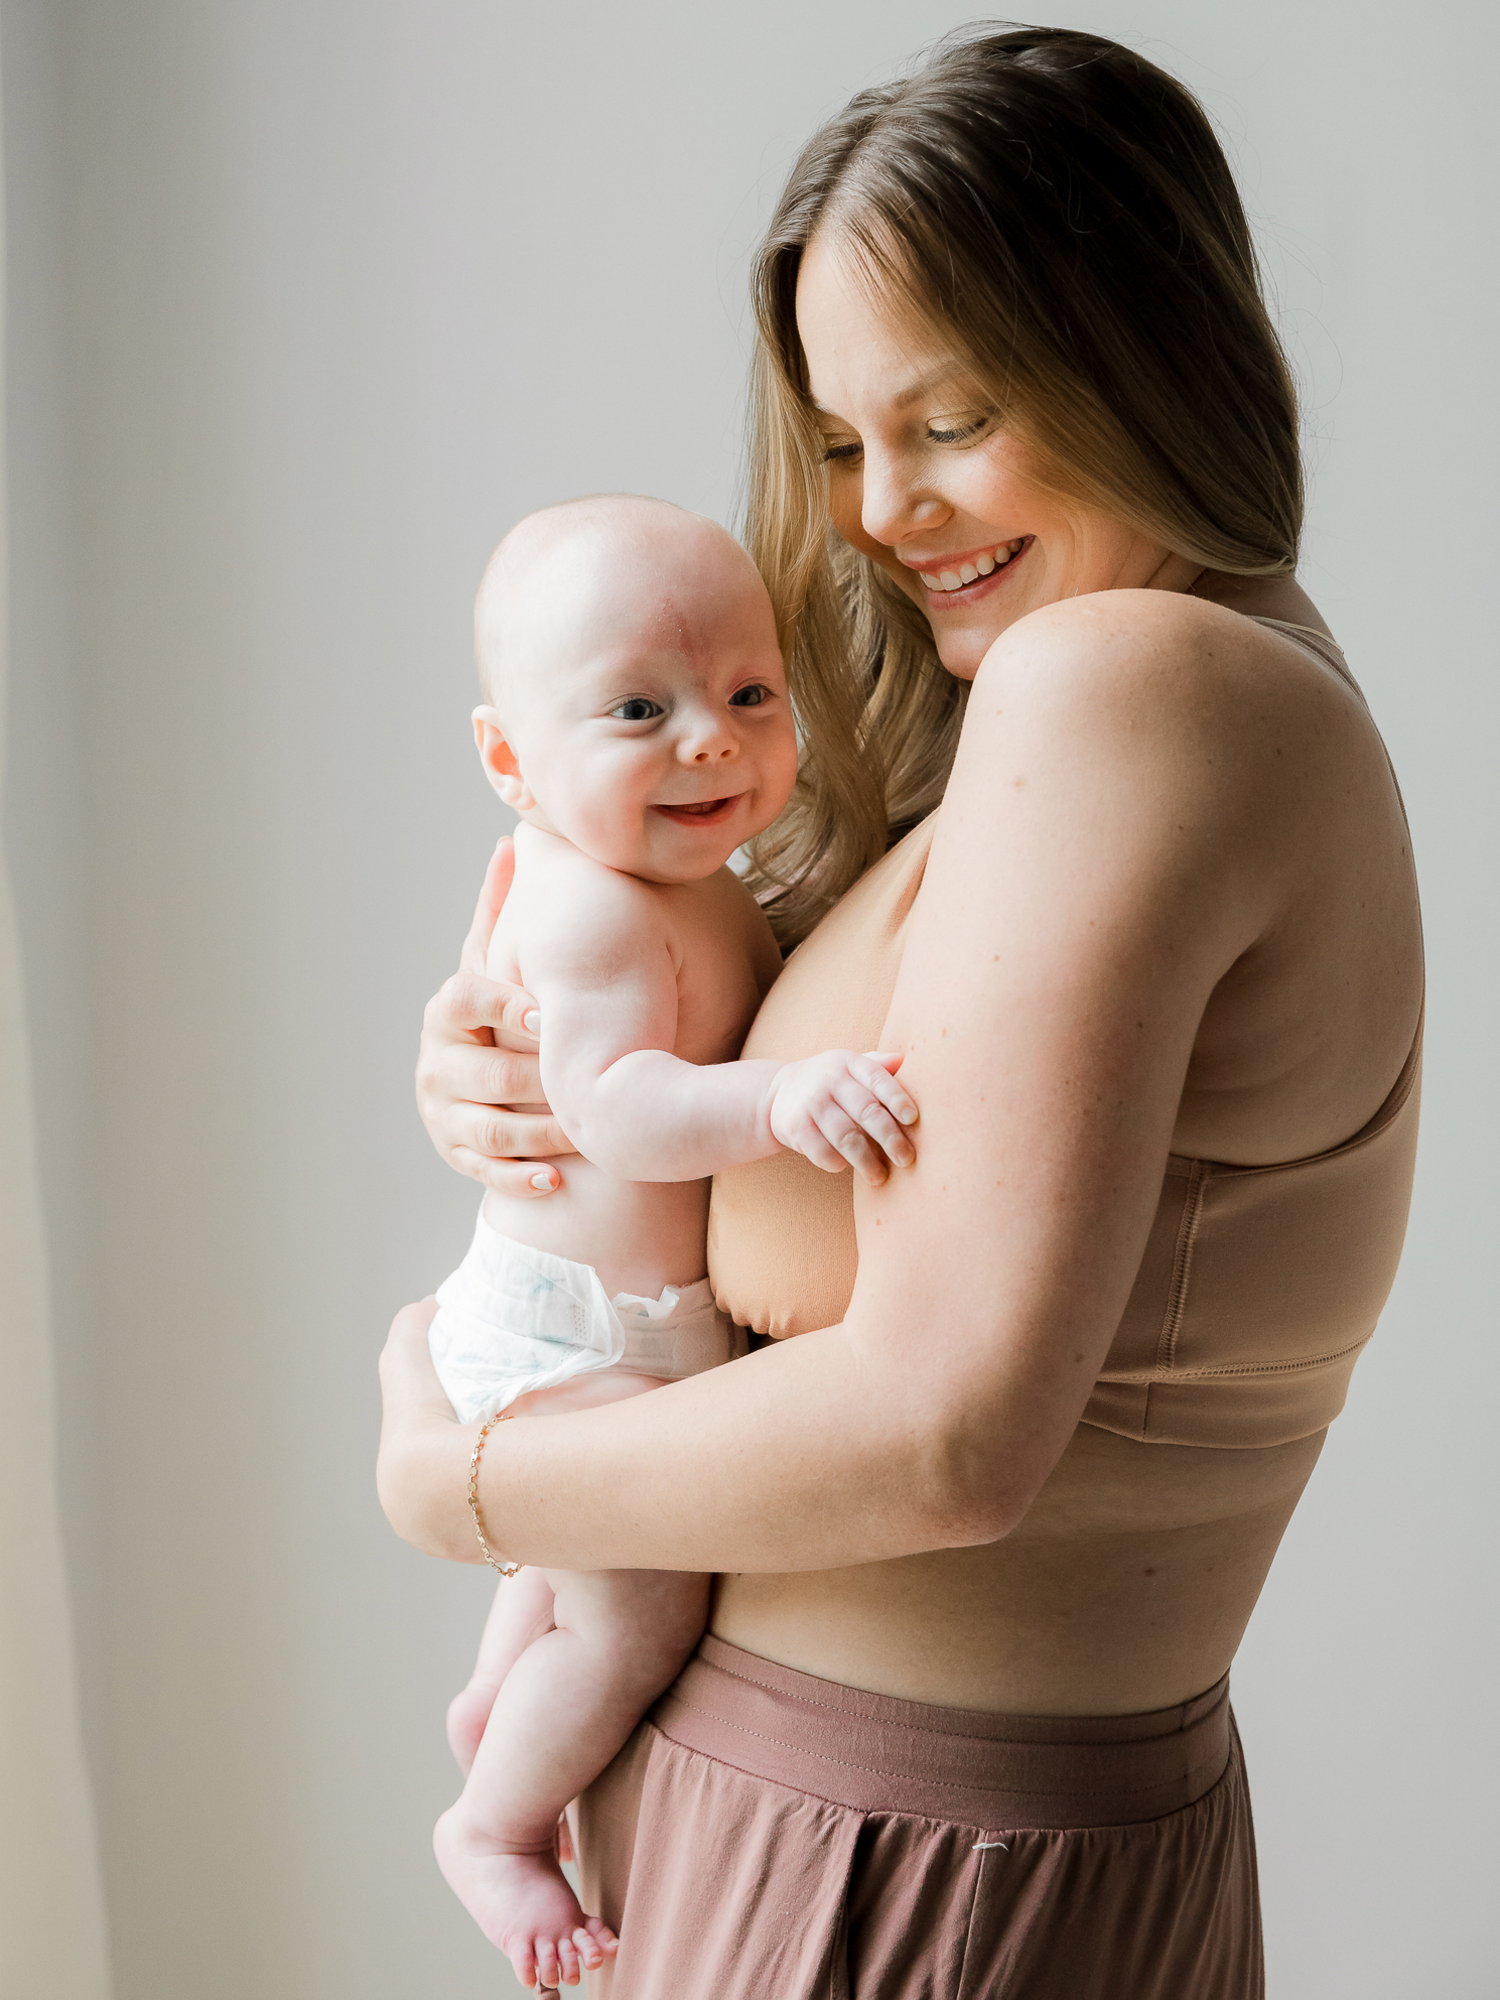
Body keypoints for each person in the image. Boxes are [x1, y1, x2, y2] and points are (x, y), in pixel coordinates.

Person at [378, 26, 1423, 1998]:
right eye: (850, 442)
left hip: (904, 1869)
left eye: (949, 421)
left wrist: (457, 1477)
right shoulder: (1160, 695)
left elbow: (945, 1432)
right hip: (890, 1835)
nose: (875, 513)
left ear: (1143, 353)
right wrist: (533, 1054)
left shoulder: (1123, 690)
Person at [424, 494, 918, 1993]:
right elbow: (622, 1112)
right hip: (572, 1332)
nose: (710, 737)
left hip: (621, 1329)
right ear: (511, 759)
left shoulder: (684, 886)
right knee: (641, 1615)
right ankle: (496, 1827)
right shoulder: (586, 916)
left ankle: (504, 1691)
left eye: (749, 695)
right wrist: (783, 1101)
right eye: (640, 708)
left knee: (585, 1581)